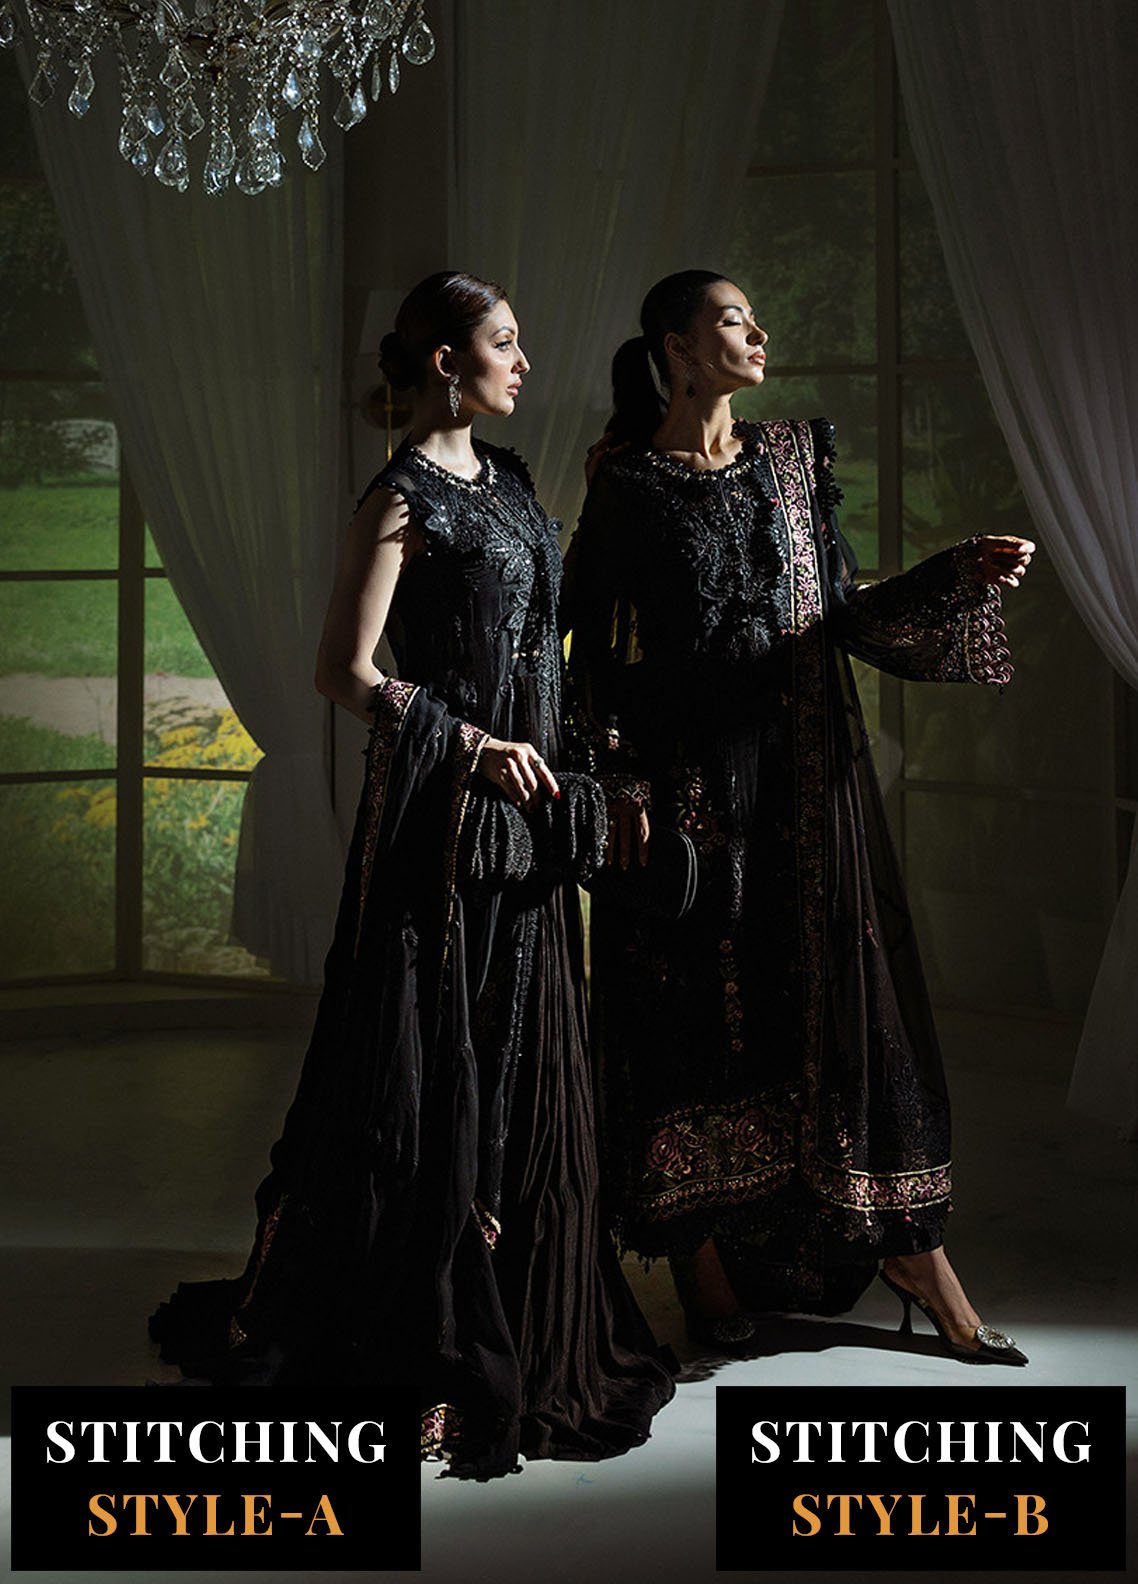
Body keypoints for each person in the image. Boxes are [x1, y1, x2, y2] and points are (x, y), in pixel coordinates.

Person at [151, 271, 674, 1478]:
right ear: (446, 360)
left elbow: (546, 656)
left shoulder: (515, 482)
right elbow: (342, 669)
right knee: (436, 1055)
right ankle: (424, 1333)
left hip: (533, 817)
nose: (524, 361)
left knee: (526, 1052)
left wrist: (586, 777)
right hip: (440, 822)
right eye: (505, 342)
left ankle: (528, 1313)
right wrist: (470, 744)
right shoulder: (398, 498)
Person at [566, 269, 1033, 1363]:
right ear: (678, 348)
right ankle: (703, 1260)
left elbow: (841, 617)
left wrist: (953, 576)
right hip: (686, 798)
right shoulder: (627, 484)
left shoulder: (791, 460)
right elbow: (588, 648)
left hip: (803, 786)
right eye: (732, 319)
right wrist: (619, 784)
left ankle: (916, 1256)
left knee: (844, 1009)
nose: (758, 331)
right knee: (692, 1014)